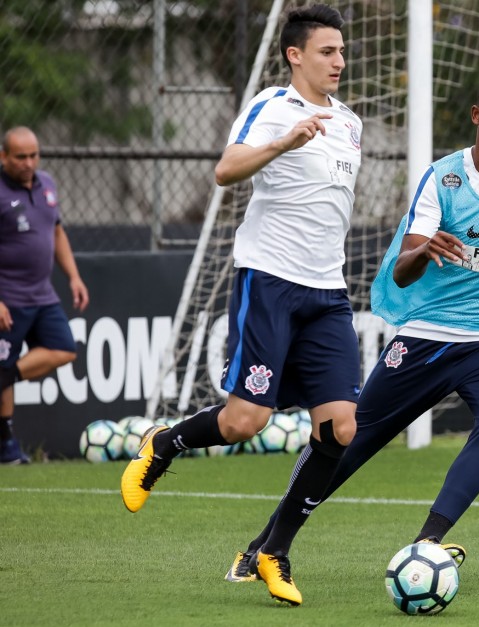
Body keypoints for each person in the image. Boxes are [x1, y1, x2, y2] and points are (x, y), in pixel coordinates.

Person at [224, 71, 479, 606]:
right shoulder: (442, 180)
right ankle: (266, 543)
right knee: (348, 442)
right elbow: (403, 271)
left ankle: (428, 543)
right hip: (425, 336)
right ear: (477, 114)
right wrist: (425, 250)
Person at [120, 3, 363, 606]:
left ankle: (271, 552)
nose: (339, 60)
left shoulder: (351, 122)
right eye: (327, 51)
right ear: (296, 55)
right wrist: (285, 142)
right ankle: (165, 444)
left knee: (340, 427)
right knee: (243, 422)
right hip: (271, 281)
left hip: (328, 292)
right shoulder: (271, 108)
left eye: (341, 50)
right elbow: (226, 171)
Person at [0, 126, 89, 465]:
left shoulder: (47, 183)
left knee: (64, 348)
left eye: (33, 155)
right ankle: (7, 448)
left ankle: (5, 376)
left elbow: (57, 231)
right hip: (8, 299)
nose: (28, 162)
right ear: (4, 156)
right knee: (3, 361)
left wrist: (74, 277)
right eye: (20, 156)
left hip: (43, 295)